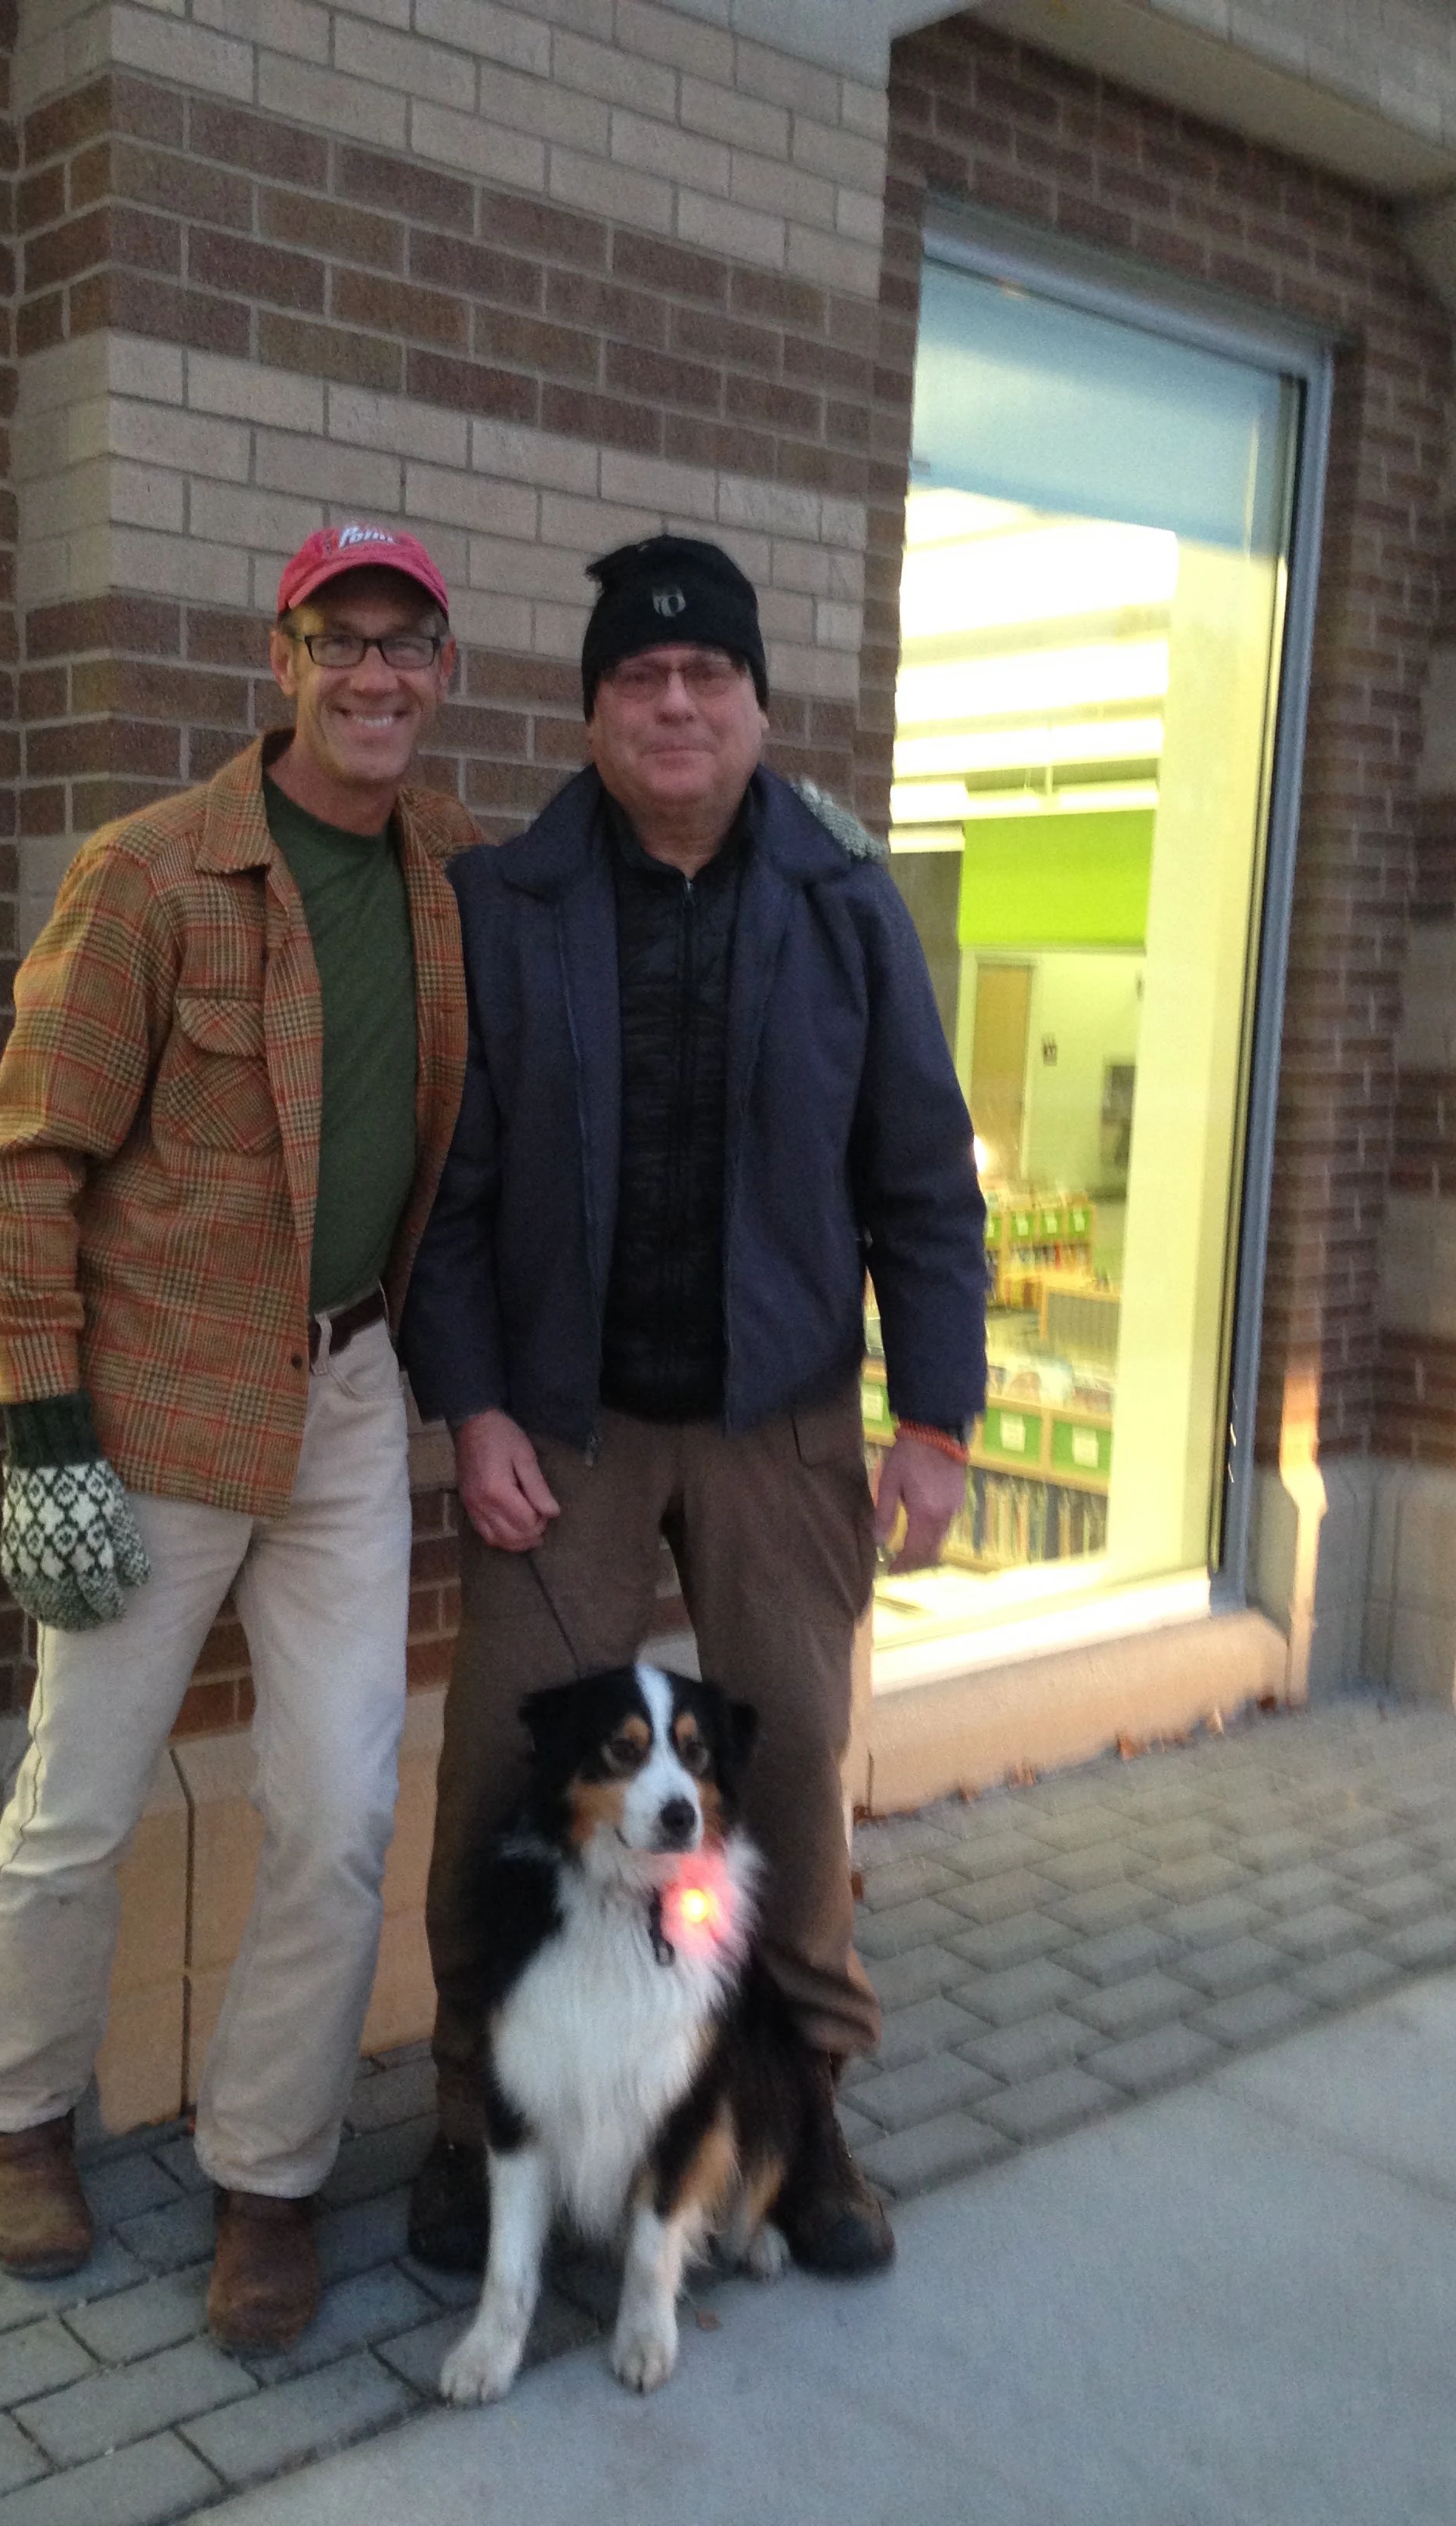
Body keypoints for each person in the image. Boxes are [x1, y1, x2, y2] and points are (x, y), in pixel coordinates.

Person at [400, 534, 989, 2278]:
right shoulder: (504, 907)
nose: (675, 703)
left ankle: (800, 2125)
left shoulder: (844, 907)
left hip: (784, 1428)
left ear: (754, 706)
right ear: (591, 713)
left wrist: (935, 1418)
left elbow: (921, 1186)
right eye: (640, 679)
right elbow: (456, 1199)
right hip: (563, 1434)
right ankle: (469, 2115)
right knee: (502, 1774)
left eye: (705, 677)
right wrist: (477, 1410)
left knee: (793, 1779)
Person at [0, 522, 480, 2353]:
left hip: (343, 1401)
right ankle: (16, 2111)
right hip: (156, 1400)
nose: (376, 676)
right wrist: (45, 1427)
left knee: (339, 1809)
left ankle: (270, 2177)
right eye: (343, 640)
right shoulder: (153, 878)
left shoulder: (450, 877)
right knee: (79, 1796)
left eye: (408, 645)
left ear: (440, 674)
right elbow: (24, 1163)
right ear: (283, 659)